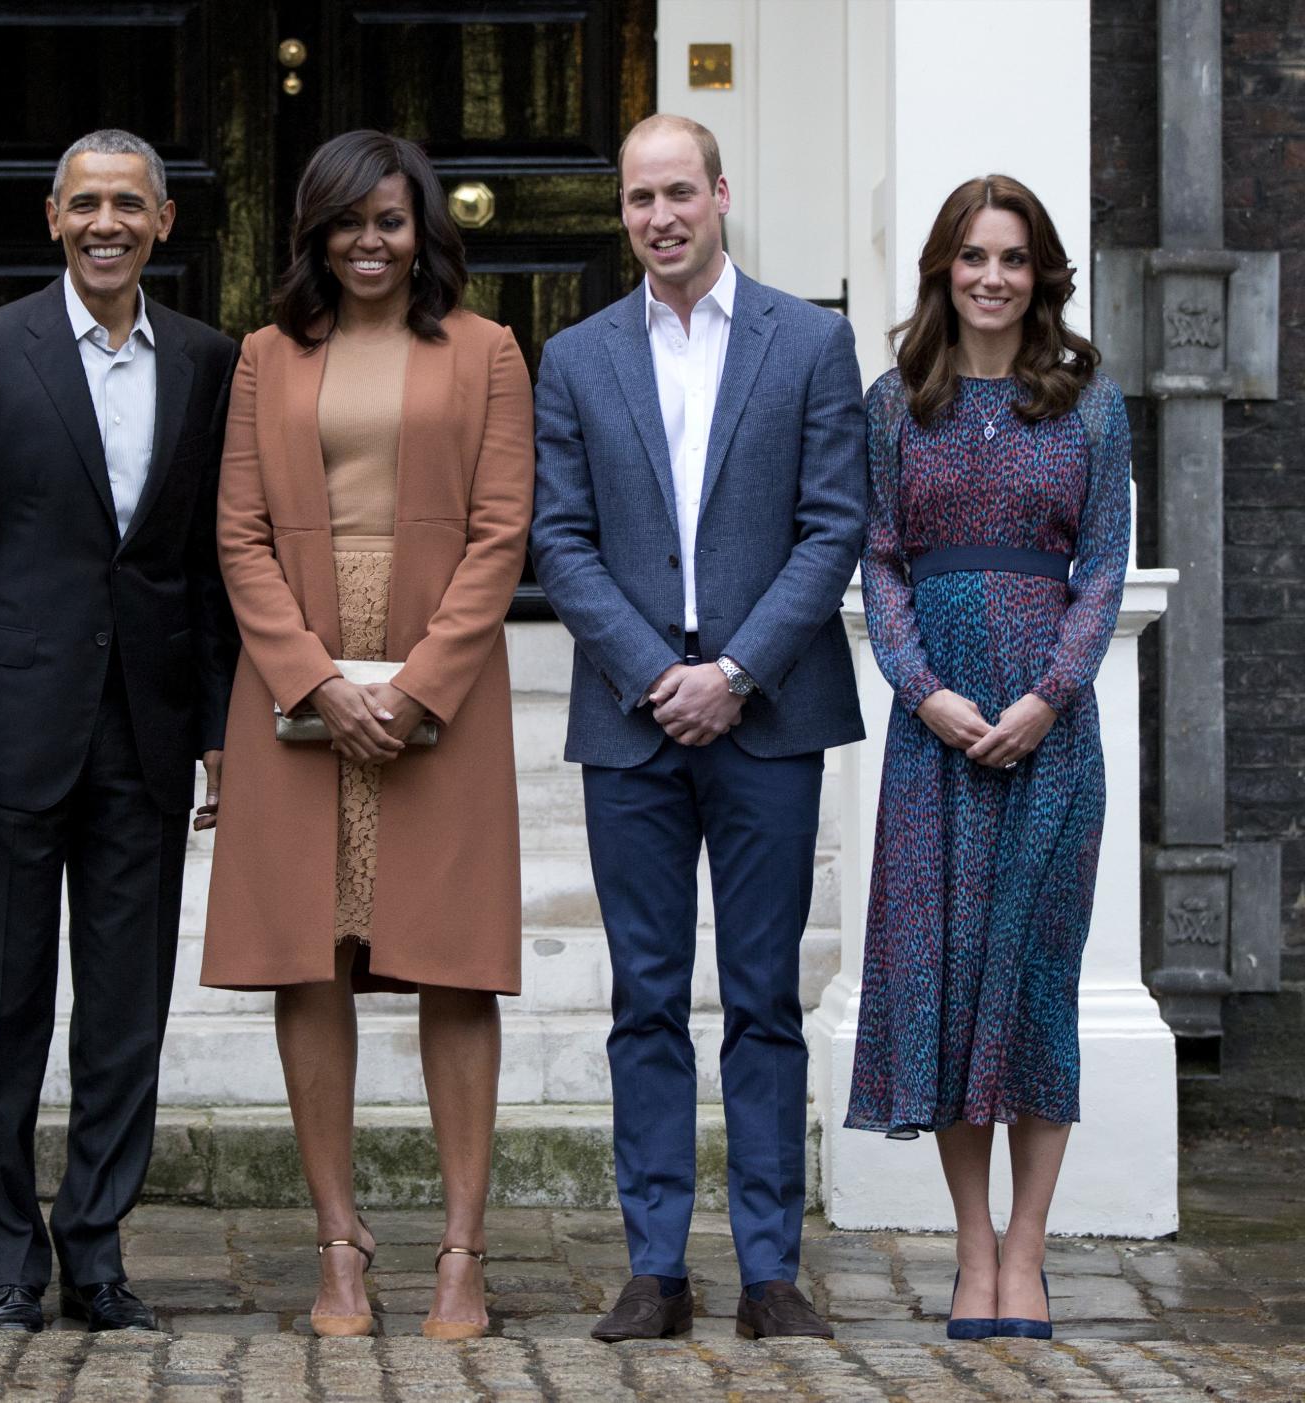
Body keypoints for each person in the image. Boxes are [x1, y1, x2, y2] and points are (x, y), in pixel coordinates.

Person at [531, 113, 867, 1343]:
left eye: (678, 193)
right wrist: (650, 672)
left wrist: (731, 669)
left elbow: (832, 523)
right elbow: (556, 541)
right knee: (645, 996)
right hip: (630, 728)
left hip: (767, 716)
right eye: (637, 200)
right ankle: (655, 1265)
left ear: (719, 194)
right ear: (619, 213)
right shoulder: (571, 358)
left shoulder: (809, 342)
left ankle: (771, 1267)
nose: (659, 218)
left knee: (766, 995)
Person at [0, 129, 239, 1334]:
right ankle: (6, 1258)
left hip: (143, 737)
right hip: (3, 735)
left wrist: (216, 727)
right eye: (86, 202)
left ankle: (92, 1247)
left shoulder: (208, 361)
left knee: (122, 1015)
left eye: (128, 205)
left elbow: (206, 565)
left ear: (162, 224)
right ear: (52, 218)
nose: (107, 222)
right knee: (1, 1009)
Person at [201, 129, 533, 1341]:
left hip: (440, 680)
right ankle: (338, 1246)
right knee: (312, 953)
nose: (368, 241)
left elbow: (502, 532)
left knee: (450, 957)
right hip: (298, 678)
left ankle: (460, 1249)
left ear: (422, 226)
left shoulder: (488, 351)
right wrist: (311, 676)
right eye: (345, 221)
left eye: (388, 219)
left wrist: (421, 682)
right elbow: (237, 530)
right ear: (314, 234)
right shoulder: (263, 356)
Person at [846, 175, 1128, 1343]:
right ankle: (970, 1249)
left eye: (1011, 258)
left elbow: (1103, 567)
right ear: (941, 270)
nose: (991, 278)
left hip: (1049, 739)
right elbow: (878, 562)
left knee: (1033, 990)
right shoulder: (892, 399)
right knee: (947, 991)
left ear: (1039, 270)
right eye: (971, 257)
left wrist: (1046, 696)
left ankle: (1028, 1249)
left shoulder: (1088, 400)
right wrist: (928, 692)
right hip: (936, 741)